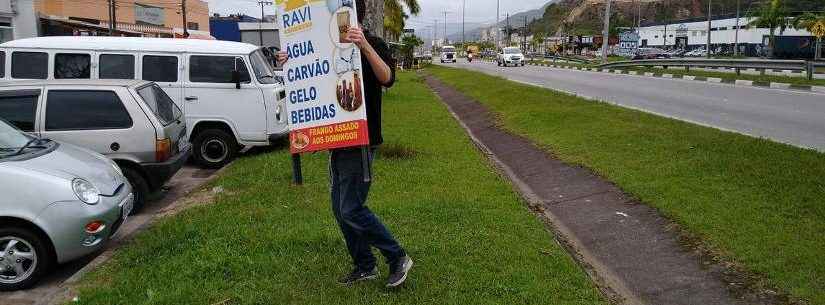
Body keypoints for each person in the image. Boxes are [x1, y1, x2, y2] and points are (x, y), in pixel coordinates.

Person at [277, 0, 412, 288]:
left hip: (361, 138)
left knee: (351, 208)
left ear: (351, 13)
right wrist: (290, 62)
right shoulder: (329, 46)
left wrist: (364, 45)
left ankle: (397, 256)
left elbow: (388, 78)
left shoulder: (371, 43)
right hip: (337, 139)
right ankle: (365, 265)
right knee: (341, 209)